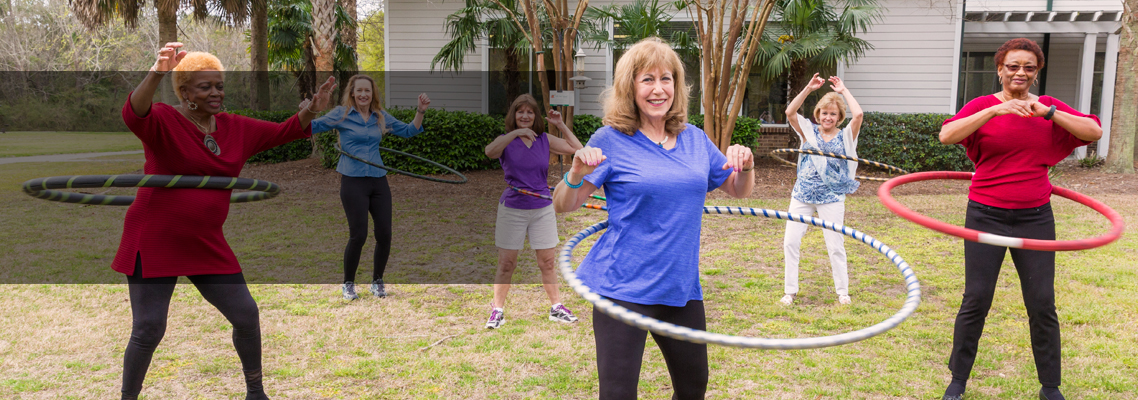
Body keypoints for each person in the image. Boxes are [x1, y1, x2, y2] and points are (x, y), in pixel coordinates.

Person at [115, 42, 336, 400]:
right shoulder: (165, 120)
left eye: (219, 85)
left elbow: (285, 132)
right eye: (205, 86)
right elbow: (133, 113)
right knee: (150, 327)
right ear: (185, 92)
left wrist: (311, 110)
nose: (216, 92)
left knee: (246, 314)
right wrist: (158, 71)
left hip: (204, 240)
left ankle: (256, 392)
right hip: (156, 235)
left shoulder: (235, 128)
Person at [551, 37, 755, 400]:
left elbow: (739, 191)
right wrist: (576, 172)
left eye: (667, 79)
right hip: (622, 288)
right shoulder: (611, 140)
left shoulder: (694, 140)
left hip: (679, 287)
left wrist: (746, 165)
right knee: (617, 394)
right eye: (647, 79)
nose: (658, 89)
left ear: (677, 86)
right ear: (630, 87)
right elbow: (563, 204)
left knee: (694, 388)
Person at [937, 38, 1102, 400]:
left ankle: (1050, 387)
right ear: (1000, 69)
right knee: (976, 298)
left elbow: (1094, 132)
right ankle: (958, 379)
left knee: (1042, 302)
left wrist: (1049, 113)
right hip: (985, 215)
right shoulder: (983, 106)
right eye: (1013, 66)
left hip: (1036, 218)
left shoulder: (1048, 109)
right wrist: (996, 111)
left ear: (1036, 73)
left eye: (1028, 67)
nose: (1020, 73)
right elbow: (947, 134)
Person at [309, 75, 431, 300]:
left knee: (385, 234)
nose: (364, 94)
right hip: (353, 180)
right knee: (359, 235)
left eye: (368, 90)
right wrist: (308, 110)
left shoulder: (380, 116)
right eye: (359, 90)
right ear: (352, 93)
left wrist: (420, 110)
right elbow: (310, 127)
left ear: (373, 93)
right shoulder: (341, 114)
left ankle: (378, 281)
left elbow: (408, 131)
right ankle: (348, 284)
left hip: (378, 180)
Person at [482, 94, 584, 329]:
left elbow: (578, 150)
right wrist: (515, 134)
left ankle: (556, 308)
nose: (525, 116)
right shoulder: (506, 140)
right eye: (520, 112)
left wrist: (559, 125)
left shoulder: (544, 139)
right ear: (514, 116)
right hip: (513, 208)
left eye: (530, 112)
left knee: (547, 262)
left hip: (542, 207)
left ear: (536, 116)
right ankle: (497, 310)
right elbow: (490, 152)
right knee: (507, 263)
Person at [780, 73, 865, 306]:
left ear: (839, 117)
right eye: (824, 113)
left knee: (835, 244)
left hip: (831, 197)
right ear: (818, 114)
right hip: (803, 194)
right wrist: (808, 88)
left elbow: (858, 114)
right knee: (790, 241)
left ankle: (842, 292)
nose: (828, 117)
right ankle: (790, 291)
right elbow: (790, 113)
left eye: (833, 114)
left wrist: (843, 91)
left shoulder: (847, 136)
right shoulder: (808, 130)